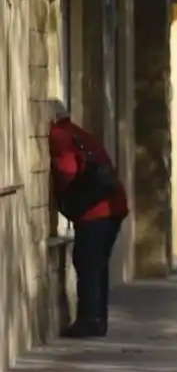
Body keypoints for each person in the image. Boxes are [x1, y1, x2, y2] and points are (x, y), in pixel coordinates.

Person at [47, 99, 128, 338]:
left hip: (96, 210)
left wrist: (60, 192)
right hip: (111, 206)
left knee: (88, 262)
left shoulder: (59, 134)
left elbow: (67, 170)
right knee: (97, 264)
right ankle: (97, 317)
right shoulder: (78, 133)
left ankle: (90, 319)